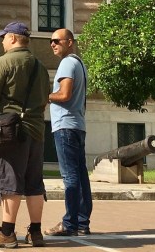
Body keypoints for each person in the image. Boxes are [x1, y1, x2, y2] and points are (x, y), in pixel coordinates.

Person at [0, 22, 51, 248]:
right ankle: (36, 232)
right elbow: (44, 98)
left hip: (8, 132)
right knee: (34, 183)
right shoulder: (40, 66)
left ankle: (7, 232)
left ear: (12, 38)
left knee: (9, 180)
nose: (1, 41)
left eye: (3, 37)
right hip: (36, 130)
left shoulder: (3, 63)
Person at [46, 28, 93, 237]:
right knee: (81, 175)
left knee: (70, 176)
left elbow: (64, 94)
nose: (53, 44)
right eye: (51, 41)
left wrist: (45, 95)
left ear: (70, 42)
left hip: (65, 125)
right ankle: (82, 222)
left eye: (57, 40)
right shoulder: (79, 64)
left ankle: (69, 223)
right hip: (77, 125)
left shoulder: (67, 63)